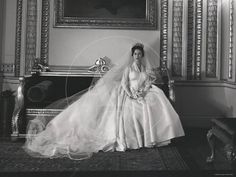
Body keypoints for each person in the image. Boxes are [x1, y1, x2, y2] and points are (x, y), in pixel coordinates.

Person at [24, 43, 185, 160]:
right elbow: (124, 83)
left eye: (139, 54)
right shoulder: (128, 69)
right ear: (132, 56)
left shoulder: (145, 70)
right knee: (126, 112)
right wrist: (131, 94)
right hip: (128, 93)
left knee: (155, 102)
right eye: (135, 54)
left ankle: (155, 137)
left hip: (142, 92)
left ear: (142, 56)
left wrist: (142, 91)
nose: (137, 56)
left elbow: (148, 82)